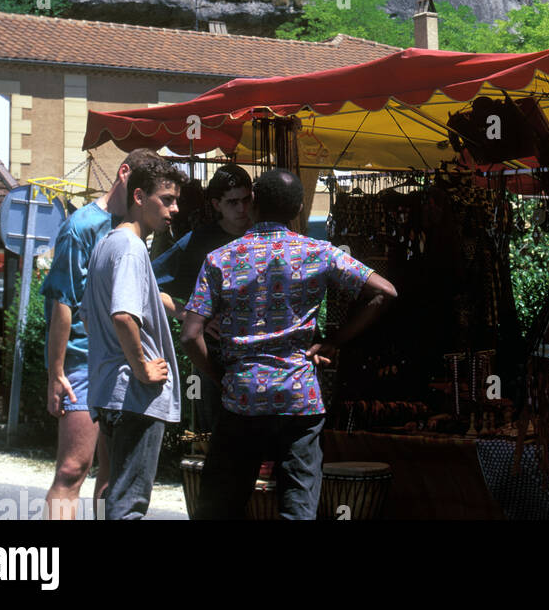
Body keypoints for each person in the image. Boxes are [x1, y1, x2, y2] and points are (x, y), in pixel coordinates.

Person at [182, 168, 397, 520]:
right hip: (299, 398)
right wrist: (333, 342)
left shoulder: (221, 258)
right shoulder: (320, 252)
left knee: (220, 507)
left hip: (242, 397)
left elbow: (191, 335)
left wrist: (222, 376)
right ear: (298, 207)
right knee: (297, 508)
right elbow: (385, 292)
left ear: (253, 205)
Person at [41, 147, 161, 519]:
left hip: (116, 362)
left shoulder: (136, 230)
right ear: (124, 175)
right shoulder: (82, 226)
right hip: (81, 360)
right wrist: (56, 373)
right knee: (73, 469)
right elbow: (62, 300)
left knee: (114, 474)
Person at [83, 156, 187, 521]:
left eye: (176, 200)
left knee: (116, 498)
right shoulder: (131, 248)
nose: (175, 209)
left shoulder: (107, 244)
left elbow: (94, 314)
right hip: (134, 396)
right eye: (167, 199)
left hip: (111, 393)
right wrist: (142, 368)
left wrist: (179, 309)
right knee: (129, 508)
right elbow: (123, 315)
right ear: (139, 196)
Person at [155, 165, 252, 430]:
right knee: (215, 437)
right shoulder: (197, 241)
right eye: (233, 202)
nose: (242, 209)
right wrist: (190, 315)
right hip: (214, 357)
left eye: (246, 200)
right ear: (216, 204)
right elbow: (147, 284)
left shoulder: (265, 235)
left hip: (260, 358)